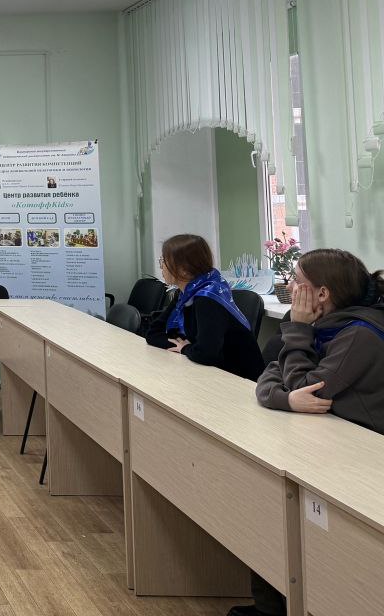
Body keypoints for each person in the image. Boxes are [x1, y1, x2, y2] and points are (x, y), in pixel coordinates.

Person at [230, 250, 384, 616]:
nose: (290, 286)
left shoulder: (359, 334)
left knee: (279, 506)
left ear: (323, 293)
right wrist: (286, 399)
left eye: (297, 281)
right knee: (267, 498)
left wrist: (297, 339)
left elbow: (301, 383)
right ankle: (272, 605)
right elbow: (270, 374)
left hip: (360, 459)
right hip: (326, 441)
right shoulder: (321, 324)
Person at [146, 234, 264, 380]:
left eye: (164, 261)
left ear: (183, 269)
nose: (161, 266)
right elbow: (153, 333)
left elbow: (206, 354)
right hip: (211, 371)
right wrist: (184, 346)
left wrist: (185, 348)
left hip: (240, 379)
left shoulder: (208, 298)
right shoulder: (184, 293)